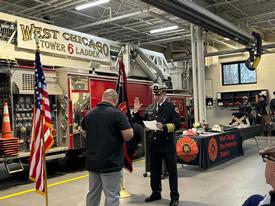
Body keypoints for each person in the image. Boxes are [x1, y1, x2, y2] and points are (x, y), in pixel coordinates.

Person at [82, 89, 134, 206]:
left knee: (93, 193)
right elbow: (128, 135)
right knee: (111, 195)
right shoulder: (118, 114)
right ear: (115, 100)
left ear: (103, 98)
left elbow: (84, 132)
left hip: (93, 163)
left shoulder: (89, 114)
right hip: (111, 163)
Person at [133, 84, 180, 206]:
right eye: (155, 95)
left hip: (168, 144)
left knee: (172, 172)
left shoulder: (170, 107)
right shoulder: (150, 108)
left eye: (158, 95)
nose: (156, 97)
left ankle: (174, 197)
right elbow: (143, 122)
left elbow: (177, 125)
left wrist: (164, 127)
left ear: (164, 94)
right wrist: (137, 113)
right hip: (154, 145)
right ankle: (156, 192)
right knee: (154, 171)